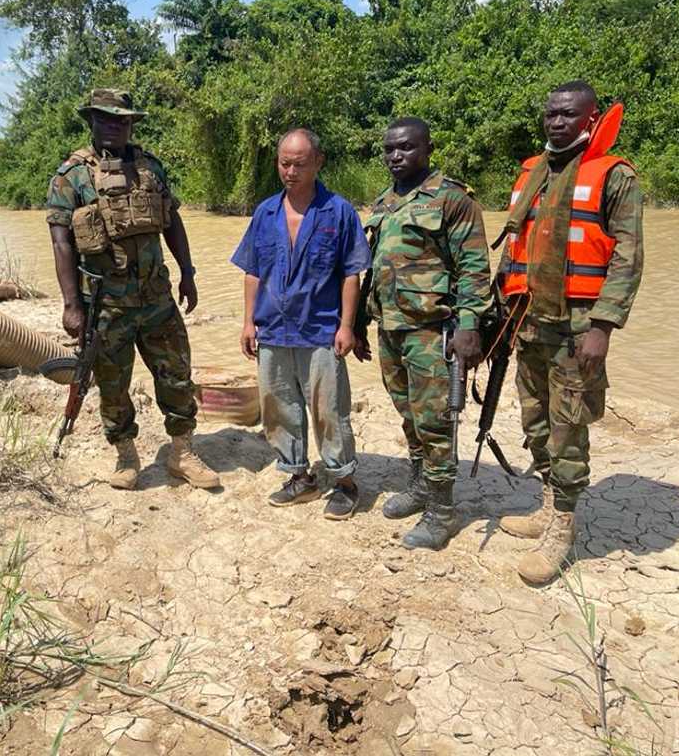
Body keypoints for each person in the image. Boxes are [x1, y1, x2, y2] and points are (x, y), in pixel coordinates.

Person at [496, 81, 643, 584]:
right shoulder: (533, 172)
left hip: (579, 325)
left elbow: (628, 256)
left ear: (591, 117)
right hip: (530, 321)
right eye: (551, 114)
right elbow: (515, 243)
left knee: (567, 424)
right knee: (534, 417)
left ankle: (563, 524)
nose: (556, 122)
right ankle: (545, 502)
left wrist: (604, 325)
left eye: (568, 115)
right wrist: (500, 308)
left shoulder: (614, 177)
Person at [44, 88, 218, 491]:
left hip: (157, 298)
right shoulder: (71, 177)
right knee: (112, 384)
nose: (113, 127)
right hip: (105, 305)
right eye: (105, 119)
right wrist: (72, 305)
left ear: (130, 124)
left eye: (121, 120)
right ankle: (125, 454)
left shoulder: (150, 169)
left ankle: (181, 451)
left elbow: (172, 221)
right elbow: (60, 242)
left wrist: (187, 272)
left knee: (176, 375)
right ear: (91, 121)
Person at [354, 117, 491, 550]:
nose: (397, 156)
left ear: (428, 149)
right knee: (408, 413)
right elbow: (372, 268)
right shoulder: (383, 202)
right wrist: (359, 320)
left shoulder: (452, 199)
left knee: (434, 422)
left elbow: (473, 268)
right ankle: (417, 485)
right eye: (390, 149)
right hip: (391, 327)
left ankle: (442, 511)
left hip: (433, 330)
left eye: (407, 148)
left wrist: (470, 326)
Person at [231, 128, 371, 520]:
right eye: (284, 163)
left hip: (321, 329)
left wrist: (347, 326)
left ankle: (343, 481)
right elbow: (253, 271)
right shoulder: (265, 212)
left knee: (329, 410)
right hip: (273, 328)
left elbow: (351, 273)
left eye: (299, 163)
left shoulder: (339, 211)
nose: (290, 171)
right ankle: (298, 476)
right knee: (278, 407)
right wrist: (248, 322)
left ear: (318, 163)